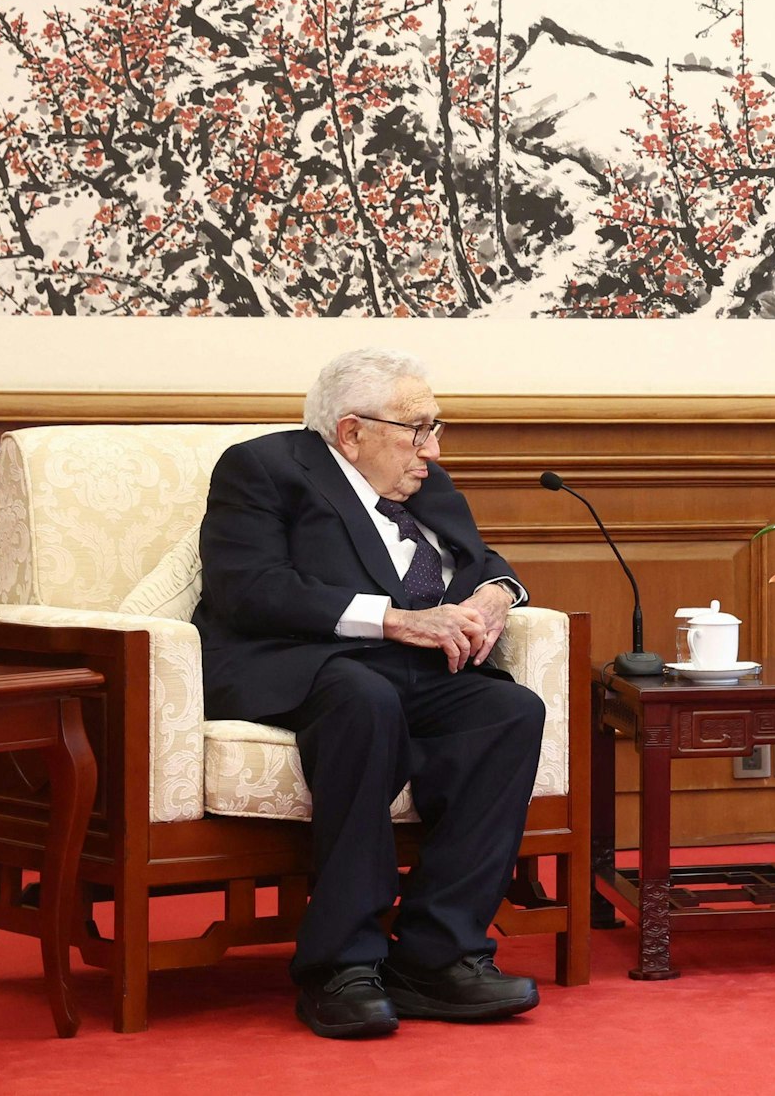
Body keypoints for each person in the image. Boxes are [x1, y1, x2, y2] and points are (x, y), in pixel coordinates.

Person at [194, 348, 546, 1037]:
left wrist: (498, 593)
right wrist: (393, 619)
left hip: (406, 669)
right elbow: (250, 587)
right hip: (300, 664)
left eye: (436, 428)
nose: (433, 449)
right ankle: (340, 965)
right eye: (418, 429)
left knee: (507, 710)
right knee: (364, 698)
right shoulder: (265, 468)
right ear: (352, 432)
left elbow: (482, 558)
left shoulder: (426, 486)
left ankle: (437, 954)